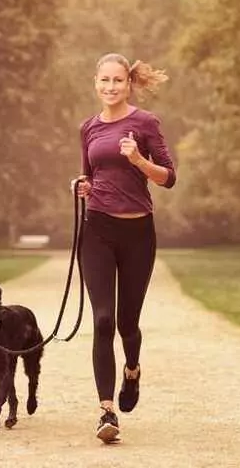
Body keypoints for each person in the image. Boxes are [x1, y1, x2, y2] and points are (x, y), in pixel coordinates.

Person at [73, 52, 177, 443]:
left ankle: (132, 370)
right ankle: (106, 412)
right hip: (97, 230)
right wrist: (80, 186)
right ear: (95, 83)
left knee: (126, 323)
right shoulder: (88, 128)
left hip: (137, 234)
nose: (111, 87)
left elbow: (169, 177)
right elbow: (89, 173)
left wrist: (138, 160)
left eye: (118, 80)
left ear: (128, 83)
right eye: (105, 81)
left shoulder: (145, 123)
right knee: (102, 321)